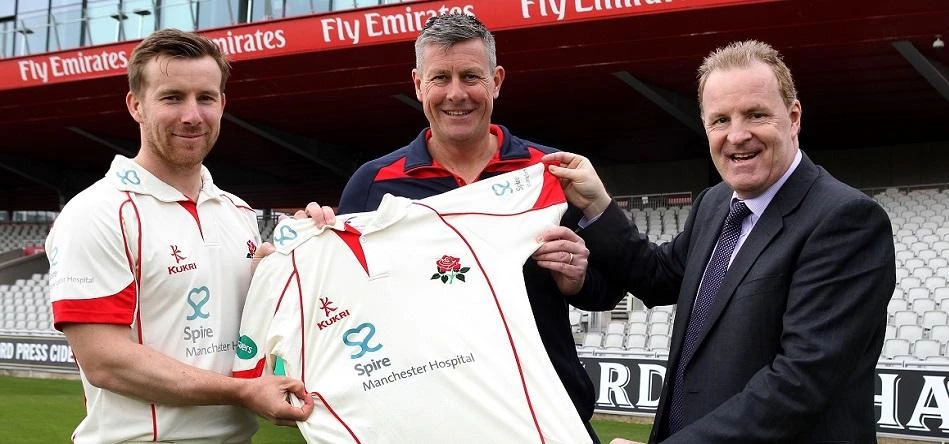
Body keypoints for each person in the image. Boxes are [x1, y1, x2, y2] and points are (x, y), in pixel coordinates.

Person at [543, 40, 895, 443]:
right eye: (720, 120)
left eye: (756, 115)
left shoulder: (846, 220)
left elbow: (799, 383)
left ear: (794, 117)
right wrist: (598, 205)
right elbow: (655, 276)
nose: (737, 135)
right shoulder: (715, 203)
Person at [335, 13, 626, 442]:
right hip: (431, 424)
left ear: (497, 80)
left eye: (471, 76)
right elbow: (345, 304)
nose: (456, 94)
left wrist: (577, 280)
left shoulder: (550, 172)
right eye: (441, 78)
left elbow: (609, 290)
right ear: (418, 85)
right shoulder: (373, 184)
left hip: (547, 418)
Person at [45, 28, 312, 443]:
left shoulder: (237, 212)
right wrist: (243, 391)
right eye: (172, 98)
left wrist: (314, 248)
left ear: (222, 104)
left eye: (205, 98)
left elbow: (259, 332)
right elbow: (105, 361)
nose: (192, 115)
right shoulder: (97, 212)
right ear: (136, 105)